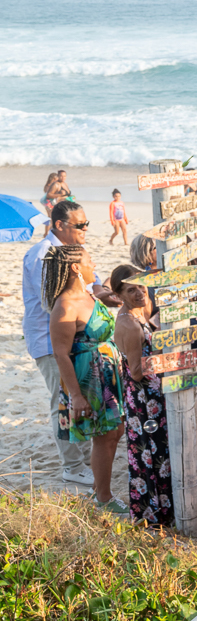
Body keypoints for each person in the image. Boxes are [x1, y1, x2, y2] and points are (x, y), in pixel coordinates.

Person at [44, 244, 126, 512]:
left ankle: (98, 490)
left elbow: (102, 297)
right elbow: (60, 354)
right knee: (103, 436)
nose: (94, 265)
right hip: (87, 379)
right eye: (90, 260)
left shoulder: (89, 295)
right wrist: (76, 395)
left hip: (106, 373)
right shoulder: (65, 305)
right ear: (76, 267)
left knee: (115, 432)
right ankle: (103, 498)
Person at [22, 201, 93, 485]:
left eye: (87, 223)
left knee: (81, 396)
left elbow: (89, 285)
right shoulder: (43, 254)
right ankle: (72, 466)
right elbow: (55, 300)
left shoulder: (76, 250)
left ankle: (84, 457)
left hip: (77, 338)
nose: (86, 230)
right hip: (50, 340)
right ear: (60, 225)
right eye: (80, 225)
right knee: (63, 401)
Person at [111, 265, 173, 526]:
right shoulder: (131, 325)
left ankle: (157, 511)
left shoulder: (134, 315)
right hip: (145, 401)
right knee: (152, 454)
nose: (139, 292)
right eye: (130, 289)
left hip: (145, 398)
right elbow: (136, 371)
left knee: (149, 453)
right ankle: (155, 515)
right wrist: (168, 360)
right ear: (118, 295)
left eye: (140, 286)